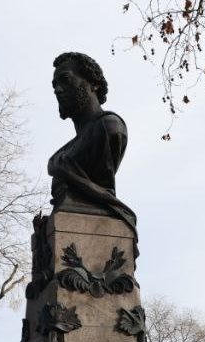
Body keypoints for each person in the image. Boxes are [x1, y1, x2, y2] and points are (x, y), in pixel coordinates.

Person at [47, 52, 138, 238]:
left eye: (65, 80)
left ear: (93, 84)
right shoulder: (65, 151)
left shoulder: (109, 127)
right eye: (54, 85)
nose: (57, 89)